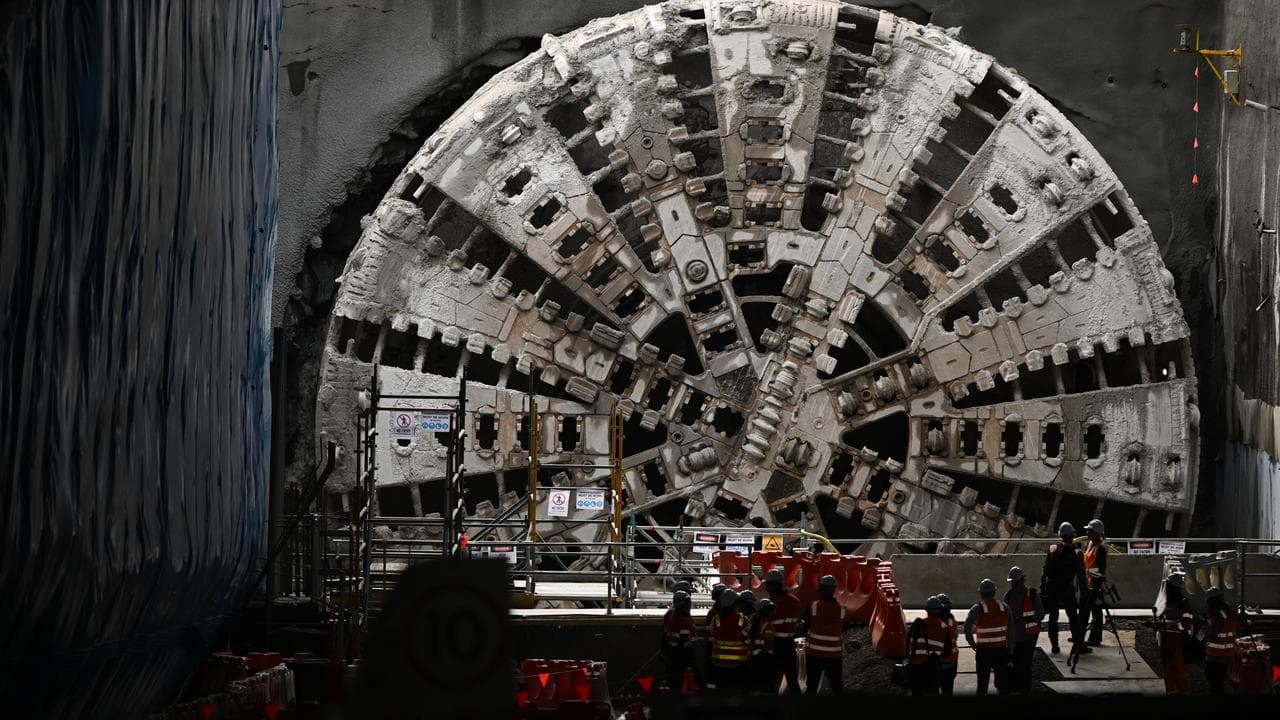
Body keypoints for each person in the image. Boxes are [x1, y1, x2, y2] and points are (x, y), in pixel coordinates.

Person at [799, 574, 849, 695]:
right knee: (837, 686)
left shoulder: (813, 607)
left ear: (820, 589)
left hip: (814, 654)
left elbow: (805, 628)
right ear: (834, 590)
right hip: (834, 656)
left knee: (812, 686)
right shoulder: (842, 610)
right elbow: (842, 628)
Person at [1041, 521, 1085, 654]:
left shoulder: (1052, 549)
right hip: (1067, 589)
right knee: (1073, 617)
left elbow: (1045, 571)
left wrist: (1043, 589)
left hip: (1052, 588)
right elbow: (1081, 576)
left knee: (1053, 618)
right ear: (1072, 536)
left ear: (1061, 536)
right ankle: (1078, 644)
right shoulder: (1077, 553)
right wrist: (1084, 592)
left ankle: (1054, 645)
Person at [964, 578, 1010, 696]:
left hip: (983, 652)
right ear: (994, 592)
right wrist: (1010, 649)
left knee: (982, 684)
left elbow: (967, 628)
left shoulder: (977, 608)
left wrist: (973, 645)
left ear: (981, 593)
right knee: (1002, 684)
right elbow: (1012, 630)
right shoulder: (1004, 607)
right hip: (1001, 651)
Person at [1004, 566, 1043, 693]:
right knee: (1014, 663)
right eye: (1012, 582)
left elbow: (1040, 614)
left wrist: (1028, 619)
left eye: (1016, 582)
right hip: (1014, 638)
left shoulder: (1032, 594)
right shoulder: (1008, 595)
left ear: (1022, 581)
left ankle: (1025, 689)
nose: (1014, 585)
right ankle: (1016, 687)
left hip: (1028, 637)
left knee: (1025, 664)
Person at [763, 569, 802, 695]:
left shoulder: (769, 604)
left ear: (775, 585)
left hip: (773, 645)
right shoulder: (795, 601)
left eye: (767, 584)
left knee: (770, 680)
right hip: (788, 645)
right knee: (792, 679)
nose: (766, 588)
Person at [1156, 572, 1194, 695]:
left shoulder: (1183, 602)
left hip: (1177, 638)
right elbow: (1160, 616)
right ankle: (1171, 691)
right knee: (1167, 665)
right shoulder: (1165, 601)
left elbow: (1187, 622)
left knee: (1178, 665)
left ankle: (1183, 691)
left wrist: (1173, 626)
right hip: (1166, 637)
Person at [709, 588, 749, 692]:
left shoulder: (716, 619)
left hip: (719, 665)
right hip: (738, 665)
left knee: (721, 693)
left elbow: (712, 635)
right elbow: (748, 638)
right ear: (735, 603)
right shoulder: (743, 619)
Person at [908, 596, 948, 695]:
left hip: (915, 667)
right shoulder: (943, 627)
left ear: (926, 610)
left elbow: (907, 644)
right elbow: (947, 651)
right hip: (932, 669)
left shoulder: (917, 624)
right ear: (940, 611)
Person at [1203, 586, 1238, 694]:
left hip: (1215, 655)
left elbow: (1213, 635)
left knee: (1214, 683)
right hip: (1227, 654)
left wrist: (1204, 628)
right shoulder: (1228, 611)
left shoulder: (1216, 614)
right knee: (1220, 682)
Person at [661, 590, 696, 692]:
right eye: (688, 603)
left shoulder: (669, 615)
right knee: (681, 683)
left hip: (670, 654)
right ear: (682, 605)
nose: (690, 606)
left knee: (672, 681)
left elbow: (664, 636)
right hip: (682, 656)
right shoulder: (684, 620)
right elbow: (685, 640)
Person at [1081, 518, 1108, 647]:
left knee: (1096, 613)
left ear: (1096, 533)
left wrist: (1096, 587)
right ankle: (1085, 637)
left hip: (1095, 586)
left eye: (1090, 531)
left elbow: (1100, 571)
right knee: (1090, 612)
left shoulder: (1101, 549)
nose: (1087, 533)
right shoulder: (1090, 545)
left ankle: (1095, 638)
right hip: (1088, 584)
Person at [747, 598, 778, 693]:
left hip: (753, 657)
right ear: (765, 611)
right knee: (766, 684)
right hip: (765, 658)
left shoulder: (752, 623)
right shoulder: (768, 625)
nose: (773, 612)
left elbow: (744, 637)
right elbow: (768, 643)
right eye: (771, 609)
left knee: (755, 683)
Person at [934, 594, 960, 695]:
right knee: (948, 690)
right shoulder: (952, 620)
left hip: (937, 661)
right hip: (951, 661)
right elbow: (955, 636)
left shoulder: (934, 623)